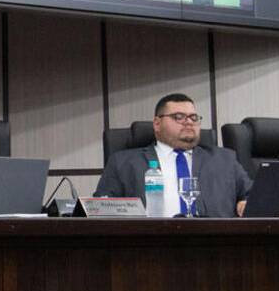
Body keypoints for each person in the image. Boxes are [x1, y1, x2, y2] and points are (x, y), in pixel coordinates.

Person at [94, 93, 251, 216]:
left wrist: (247, 202)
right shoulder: (124, 162)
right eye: (178, 117)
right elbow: (100, 209)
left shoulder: (224, 160)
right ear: (157, 124)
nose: (189, 122)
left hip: (216, 247)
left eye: (193, 117)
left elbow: (254, 195)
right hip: (147, 247)